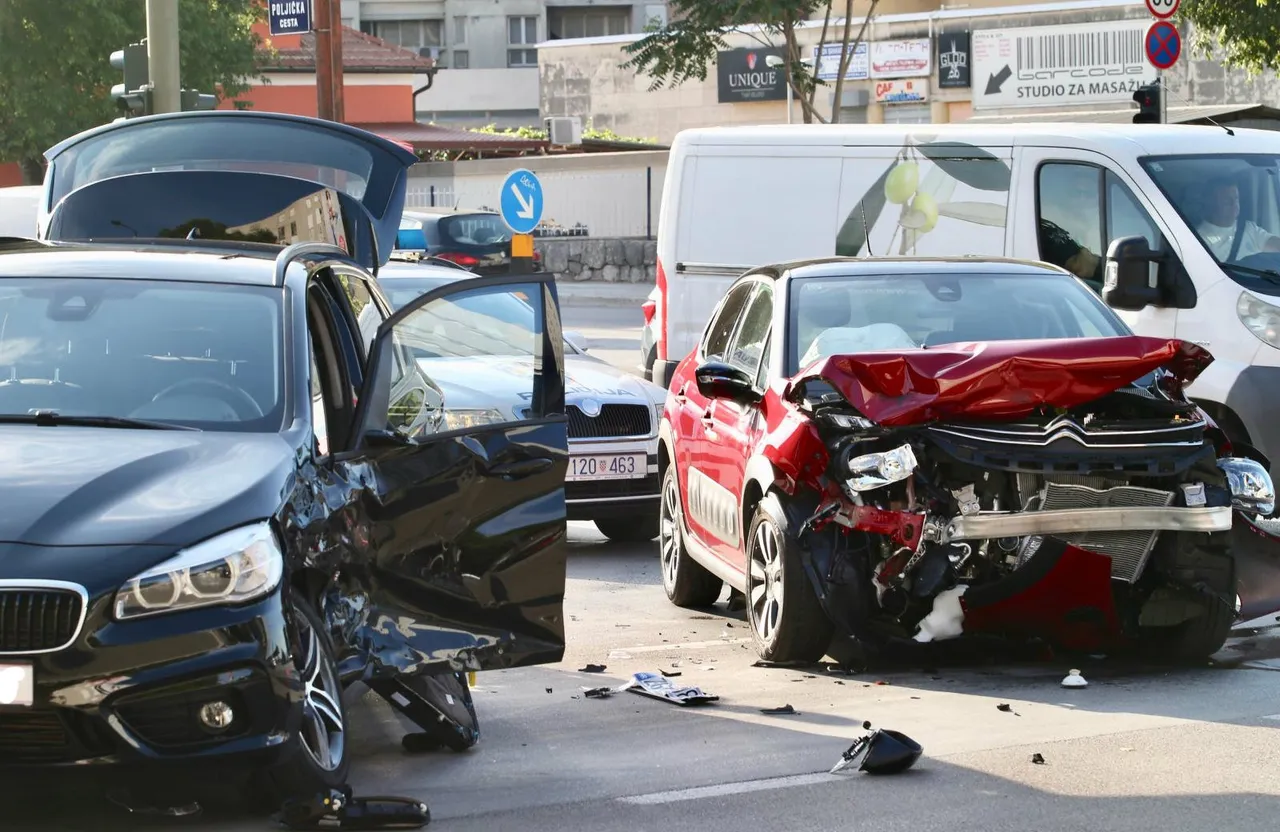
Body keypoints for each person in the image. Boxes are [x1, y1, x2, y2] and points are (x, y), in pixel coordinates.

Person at [1195, 177, 1280, 262]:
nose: (1234, 204)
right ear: (1211, 203)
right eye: (1227, 201)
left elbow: (1273, 243)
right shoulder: (1199, 239)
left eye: (1236, 198)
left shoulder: (1248, 228)